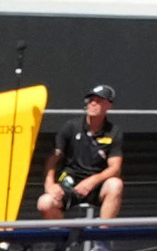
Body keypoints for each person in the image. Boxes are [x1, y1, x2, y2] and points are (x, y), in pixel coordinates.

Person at [33, 84, 125, 232]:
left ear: (109, 105)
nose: (93, 104)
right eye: (91, 100)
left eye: (99, 101)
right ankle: (64, 240)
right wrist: (50, 185)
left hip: (96, 187)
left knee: (115, 184)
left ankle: (101, 241)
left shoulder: (114, 132)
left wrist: (93, 180)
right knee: (44, 202)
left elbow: (115, 168)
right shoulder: (71, 127)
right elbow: (53, 158)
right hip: (70, 185)